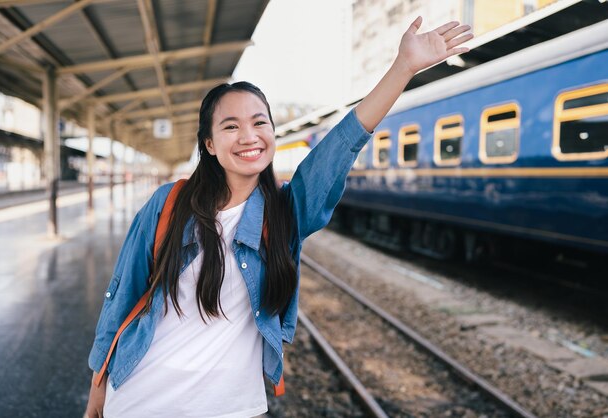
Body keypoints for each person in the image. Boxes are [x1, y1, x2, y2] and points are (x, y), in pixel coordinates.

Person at [86, 16, 472, 418]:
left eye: (259, 122)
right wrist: (98, 386)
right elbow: (122, 293)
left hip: (233, 407)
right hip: (140, 399)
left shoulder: (287, 211)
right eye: (231, 126)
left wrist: (403, 68)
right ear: (210, 144)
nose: (249, 136)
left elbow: (341, 146)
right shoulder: (169, 203)